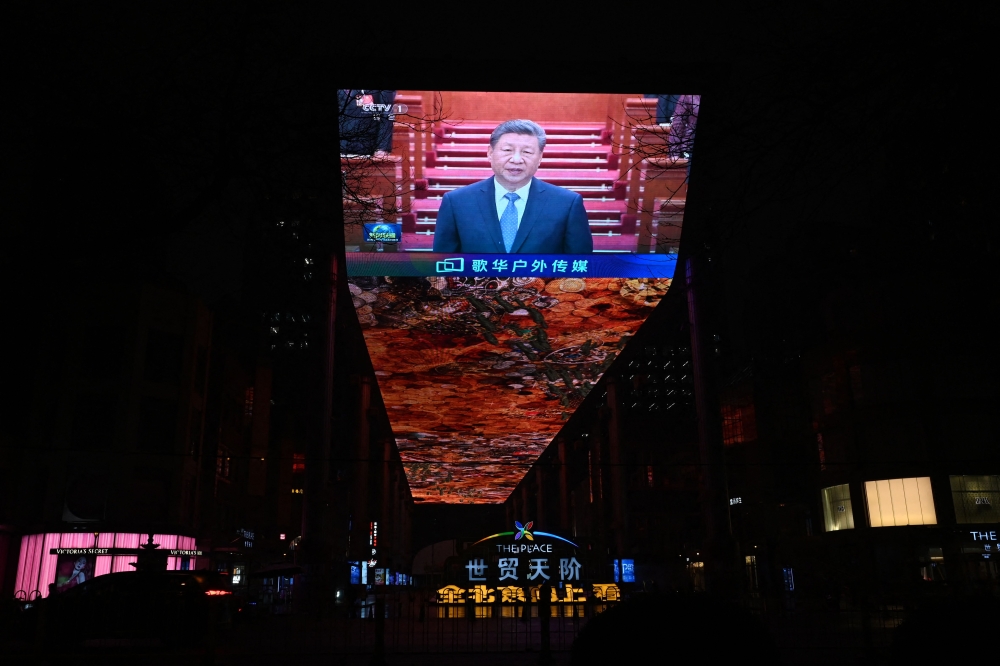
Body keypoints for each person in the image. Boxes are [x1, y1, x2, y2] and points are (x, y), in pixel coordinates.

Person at [432, 119, 593, 254]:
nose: (516, 159)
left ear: (540, 158)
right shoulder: (457, 202)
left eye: (527, 152)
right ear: (490, 153)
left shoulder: (567, 204)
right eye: (507, 150)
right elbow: (441, 265)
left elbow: (581, 266)